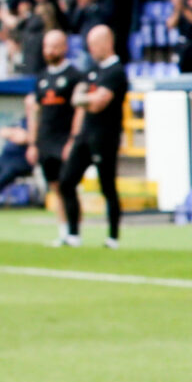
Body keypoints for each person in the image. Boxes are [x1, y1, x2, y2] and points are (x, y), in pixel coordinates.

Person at [54, 25, 128, 248]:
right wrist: (87, 99)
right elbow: (78, 99)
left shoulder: (116, 72)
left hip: (105, 137)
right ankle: (73, 234)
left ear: (106, 43)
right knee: (66, 181)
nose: (90, 49)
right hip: (85, 135)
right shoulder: (93, 70)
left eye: (94, 44)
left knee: (107, 187)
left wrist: (86, 98)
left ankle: (113, 237)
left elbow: (97, 104)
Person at [30, 29, 79, 232]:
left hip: (65, 139)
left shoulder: (74, 76)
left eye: (54, 47)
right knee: (56, 187)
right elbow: (36, 111)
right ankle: (63, 230)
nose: (49, 51)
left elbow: (79, 111)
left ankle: (75, 232)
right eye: (46, 47)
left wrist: (73, 139)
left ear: (64, 48)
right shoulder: (41, 77)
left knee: (68, 187)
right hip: (46, 141)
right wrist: (33, 143)